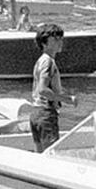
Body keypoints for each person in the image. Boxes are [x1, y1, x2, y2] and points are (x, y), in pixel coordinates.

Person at [29, 23, 76, 152]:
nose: (60, 42)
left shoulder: (40, 61)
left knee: (40, 154)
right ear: (44, 43)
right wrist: (67, 99)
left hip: (35, 112)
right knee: (50, 155)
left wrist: (62, 93)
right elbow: (43, 90)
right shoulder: (49, 62)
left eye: (61, 38)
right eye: (55, 39)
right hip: (46, 114)